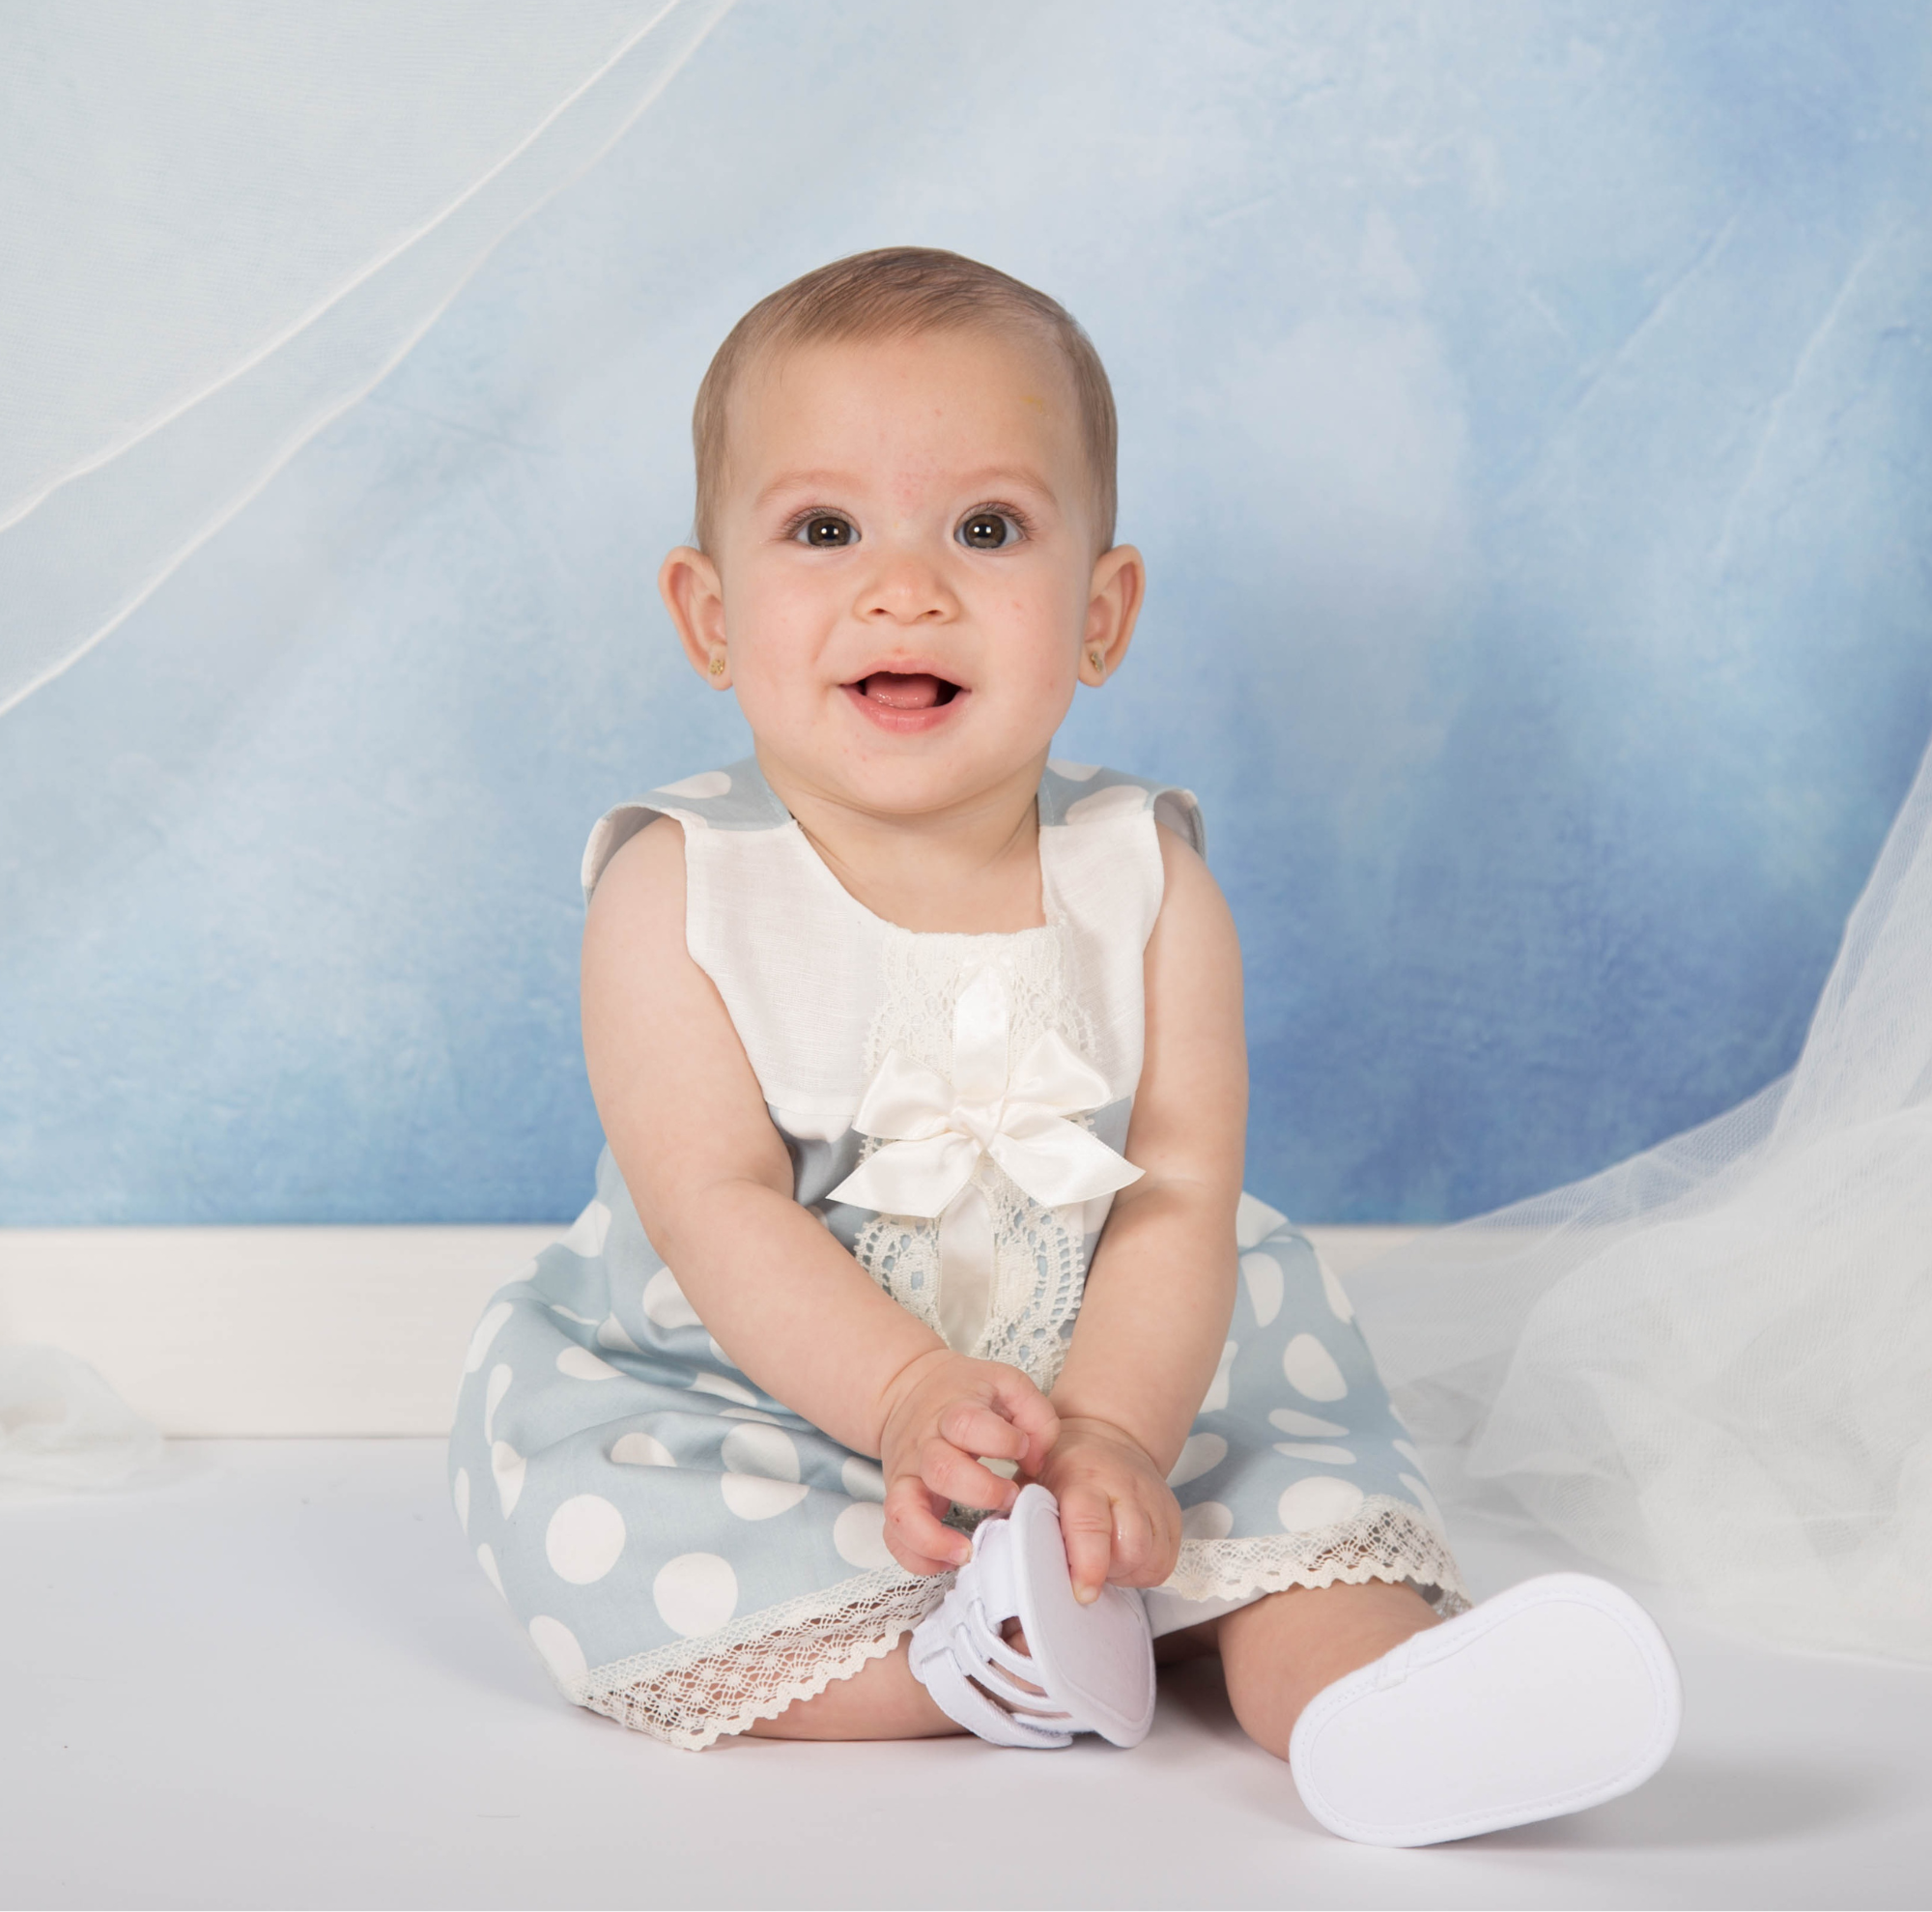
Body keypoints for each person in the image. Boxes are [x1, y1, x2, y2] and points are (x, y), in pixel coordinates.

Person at [449, 246, 1679, 1845]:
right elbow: (717, 1207)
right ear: (710, 614)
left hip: (1139, 1374)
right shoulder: (677, 887)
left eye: (986, 529)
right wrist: (905, 1396)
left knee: (1294, 1518)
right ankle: (979, 1656)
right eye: (824, 531)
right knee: (632, 1533)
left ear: (1100, 615)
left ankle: (1380, 1708)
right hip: (772, 1395)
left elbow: (1178, 1193)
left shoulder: (1144, 875)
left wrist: (1111, 1437)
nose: (907, 589)